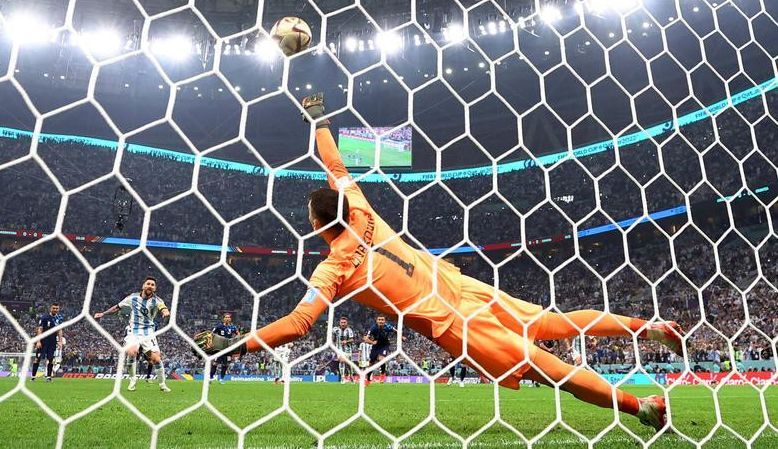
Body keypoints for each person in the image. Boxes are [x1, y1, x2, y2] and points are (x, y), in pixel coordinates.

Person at [194, 93, 684, 431]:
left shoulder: (333, 268)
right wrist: (319, 118)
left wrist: (234, 345)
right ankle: (652, 327)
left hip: (454, 320)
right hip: (456, 284)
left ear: (317, 225)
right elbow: (335, 165)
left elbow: (301, 324)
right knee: (555, 323)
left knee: (546, 366)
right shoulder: (361, 208)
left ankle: (642, 407)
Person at [94, 276, 171, 392]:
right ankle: (132, 380)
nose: (150, 286)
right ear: (143, 286)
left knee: (156, 359)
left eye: (152, 285)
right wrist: (103, 314)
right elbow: (117, 307)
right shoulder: (132, 298)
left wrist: (165, 312)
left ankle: (162, 384)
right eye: (148, 284)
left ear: (155, 288)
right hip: (133, 331)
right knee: (132, 351)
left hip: (148, 333)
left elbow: (163, 308)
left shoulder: (157, 300)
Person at [363, 315, 404, 384]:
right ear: (377, 321)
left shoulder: (388, 326)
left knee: (381, 359)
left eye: (382, 320)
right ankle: (368, 380)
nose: (381, 321)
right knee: (371, 363)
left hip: (384, 346)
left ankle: (382, 374)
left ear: (384, 321)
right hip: (375, 346)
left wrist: (402, 337)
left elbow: (397, 331)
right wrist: (372, 342)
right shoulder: (373, 328)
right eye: (379, 320)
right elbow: (366, 339)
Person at [32, 303, 63, 382]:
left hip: (52, 341)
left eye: (57, 308)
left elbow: (59, 330)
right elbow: (40, 329)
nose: (55, 310)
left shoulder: (59, 318)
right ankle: (33, 376)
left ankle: (48, 377)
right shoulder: (45, 317)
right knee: (37, 358)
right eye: (54, 308)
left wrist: (60, 341)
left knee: (51, 359)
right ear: (50, 308)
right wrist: (38, 341)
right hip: (43, 341)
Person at [211, 313, 240, 384]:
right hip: (220, 348)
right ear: (223, 318)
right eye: (226, 317)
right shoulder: (219, 326)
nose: (227, 318)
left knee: (225, 364)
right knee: (215, 363)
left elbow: (238, 334)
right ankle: (211, 378)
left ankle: (221, 379)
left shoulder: (232, 327)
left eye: (229, 317)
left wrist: (235, 340)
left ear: (230, 319)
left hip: (228, 348)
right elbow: (212, 334)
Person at [331, 316, 355, 383]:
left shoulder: (349, 330)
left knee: (348, 365)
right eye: (342, 322)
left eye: (344, 322)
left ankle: (351, 376)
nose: (343, 324)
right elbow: (333, 338)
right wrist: (333, 345)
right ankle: (342, 378)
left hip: (348, 350)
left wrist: (346, 341)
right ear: (339, 323)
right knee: (341, 360)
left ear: (346, 323)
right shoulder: (335, 329)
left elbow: (352, 339)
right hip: (339, 349)